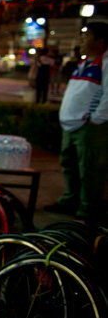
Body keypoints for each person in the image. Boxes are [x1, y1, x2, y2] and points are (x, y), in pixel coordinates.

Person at [44, 23, 108, 224]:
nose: (81, 41)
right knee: (69, 165)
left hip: (89, 128)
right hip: (71, 126)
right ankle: (71, 199)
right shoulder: (84, 63)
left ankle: (89, 208)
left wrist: (95, 118)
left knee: (89, 169)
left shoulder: (105, 64)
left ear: (100, 41)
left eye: (86, 37)